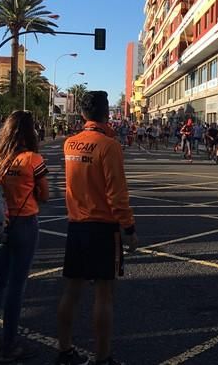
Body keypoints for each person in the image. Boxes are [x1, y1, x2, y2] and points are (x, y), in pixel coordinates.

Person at [56, 91, 137, 365]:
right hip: (103, 227)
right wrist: (129, 227)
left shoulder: (70, 145)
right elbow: (117, 194)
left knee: (71, 291)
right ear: (106, 114)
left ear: (82, 114)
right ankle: (102, 357)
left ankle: (64, 350)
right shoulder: (108, 146)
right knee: (104, 294)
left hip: (76, 225)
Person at [0, 110, 49, 362]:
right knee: (17, 285)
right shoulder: (33, 159)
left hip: (0, 222)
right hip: (24, 222)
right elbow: (44, 194)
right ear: (30, 131)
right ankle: (10, 344)